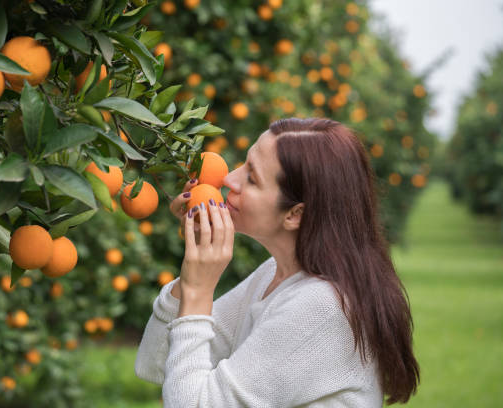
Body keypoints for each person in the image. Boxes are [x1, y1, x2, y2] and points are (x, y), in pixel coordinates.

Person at [135, 117, 420, 407]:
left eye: (252, 177)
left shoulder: (323, 307)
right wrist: (190, 278)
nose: (229, 179)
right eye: (244, 164)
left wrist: (199, 290)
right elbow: (155, 363)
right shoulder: (276, 275)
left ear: (295, 214)